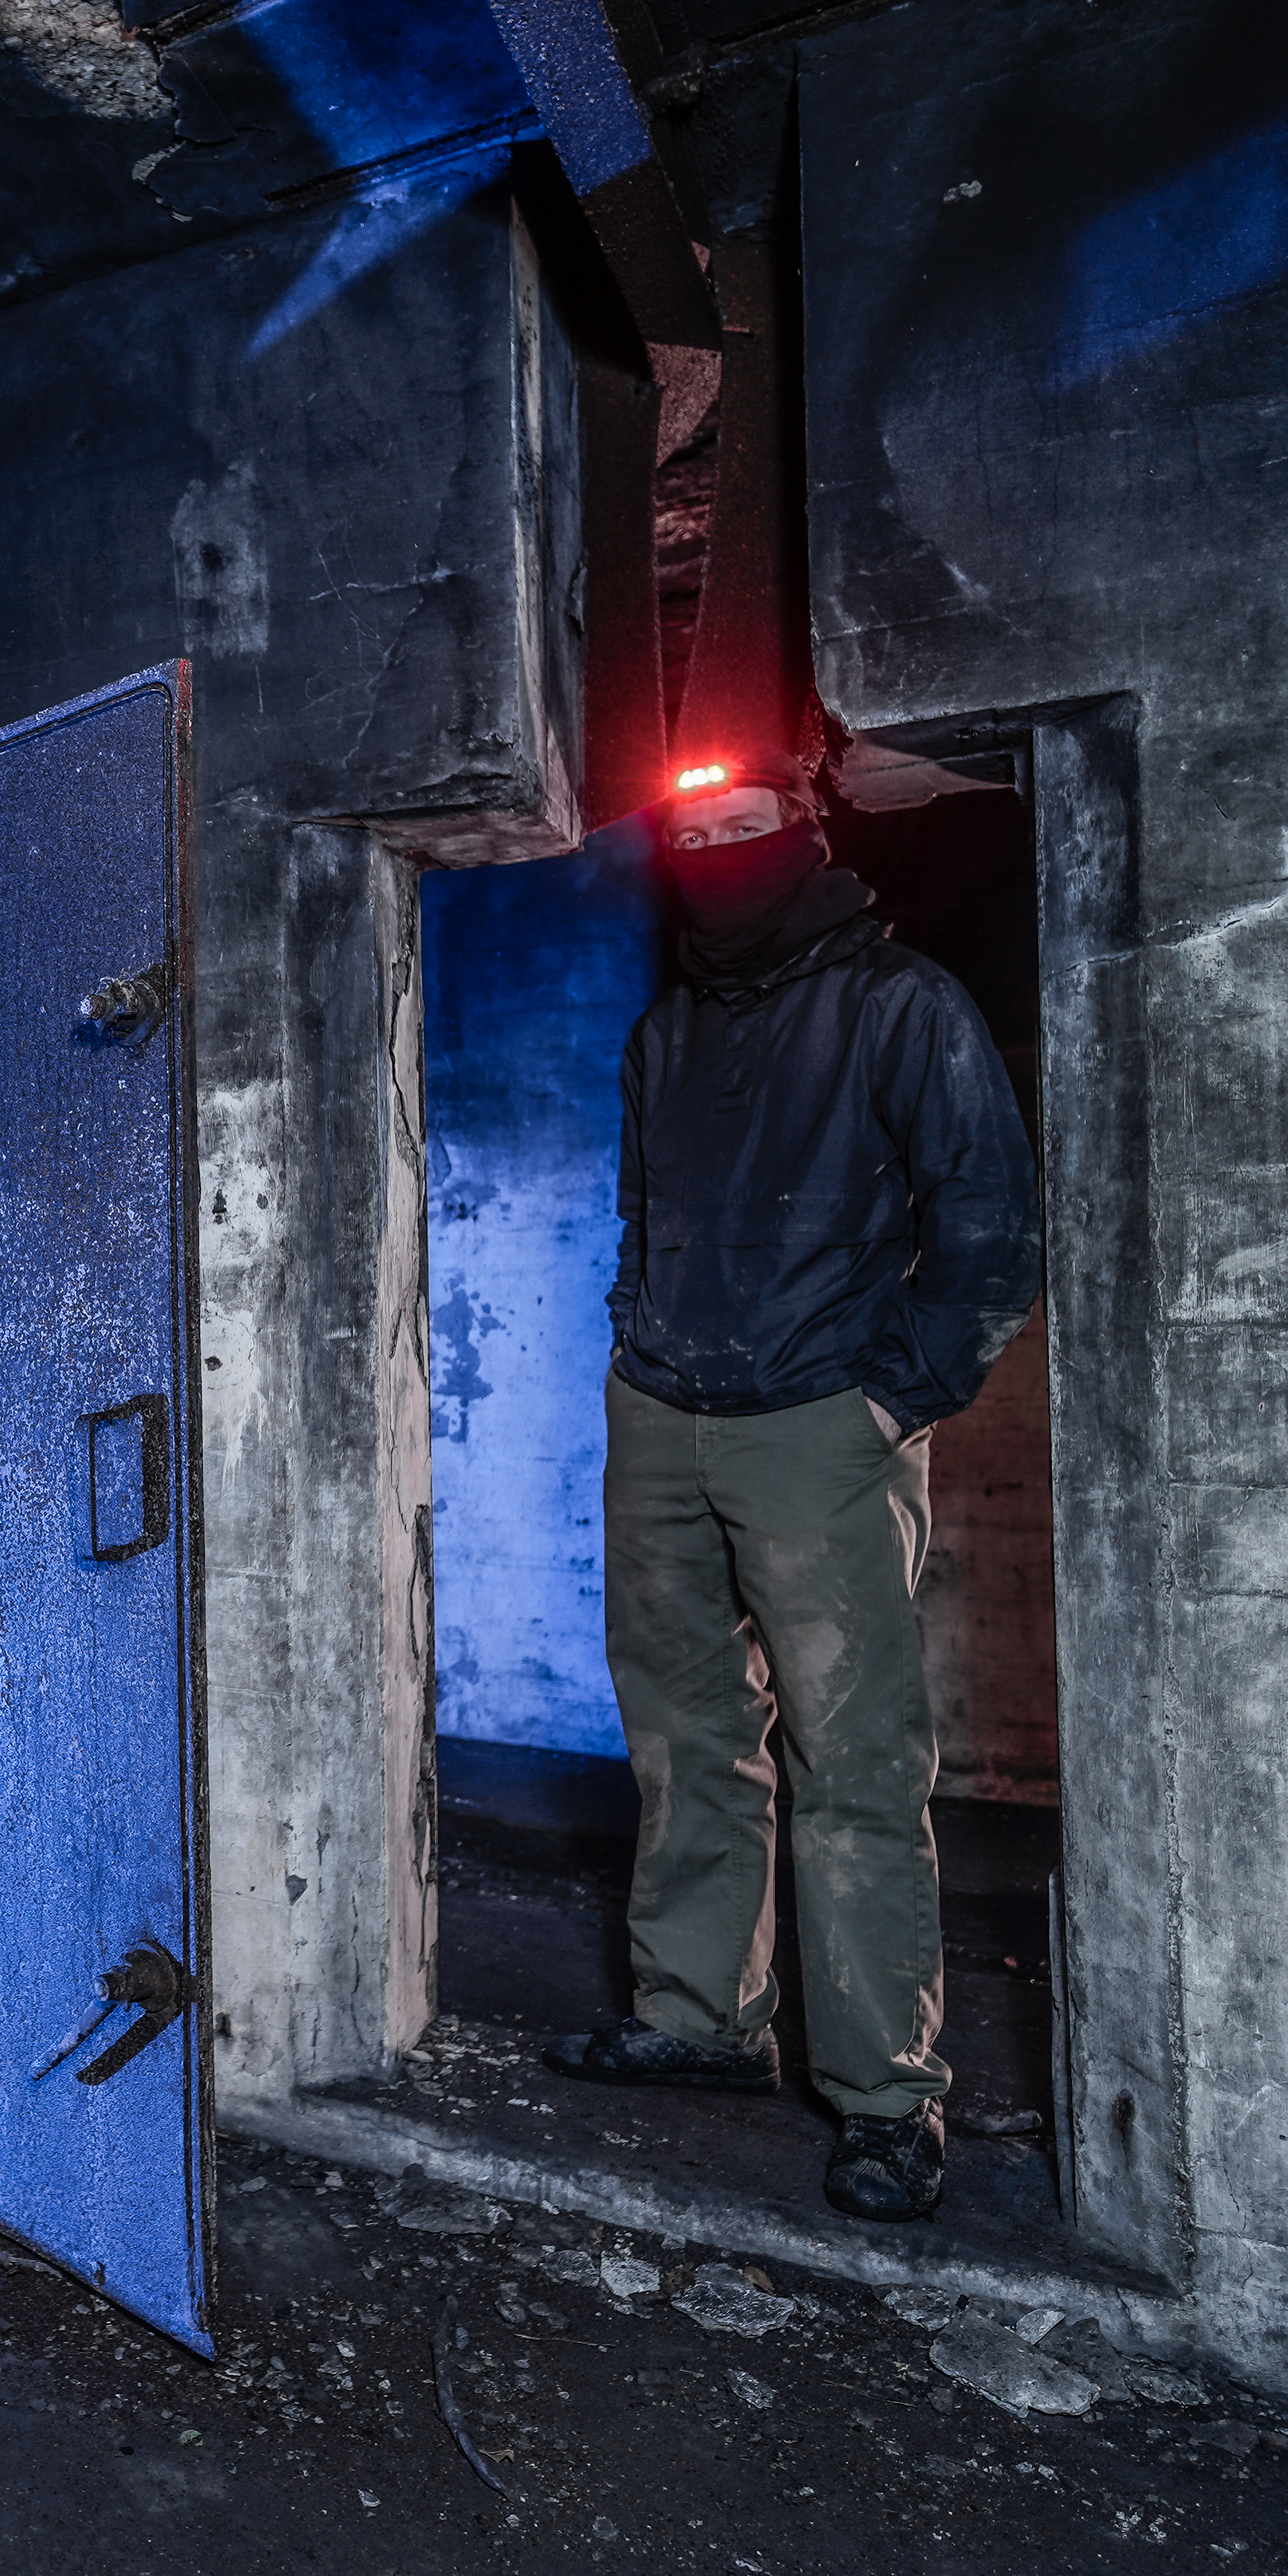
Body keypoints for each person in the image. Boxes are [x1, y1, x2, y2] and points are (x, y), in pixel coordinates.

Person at [541, 738, 1042, 2224]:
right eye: (693, 829)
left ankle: (887, 2093)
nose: (717, 851)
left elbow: (991, 1230)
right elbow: (643, 1213)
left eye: (746, 823)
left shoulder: (902, 1007)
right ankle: (701, 2015)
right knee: (688, 1733)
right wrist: (636, 1354)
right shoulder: (667, 1031)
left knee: (856, 1763)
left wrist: (893, 1393)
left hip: (821, 1423)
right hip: (661, 1414)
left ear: (806, 832)